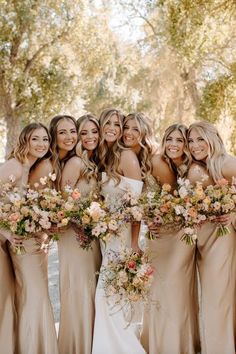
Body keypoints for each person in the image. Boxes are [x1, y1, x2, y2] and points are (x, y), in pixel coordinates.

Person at [141, 123, 200, 354]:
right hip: (158, 235)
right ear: (164, 142)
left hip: (182, 236)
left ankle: (180, 344)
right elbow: (149, 198)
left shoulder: (192, 166)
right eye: (170, 140)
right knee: (157, 287)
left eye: (179, 140)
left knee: (177, 289)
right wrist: (147, 215)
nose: (174, 145)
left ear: (186, 145)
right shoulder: (158, 161)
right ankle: (158, 342)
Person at [92, 108, 146, 354]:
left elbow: (136, 204)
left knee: (108, 296)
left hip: (123, 240)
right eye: (109, 123)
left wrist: (134, 243)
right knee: (108, 296)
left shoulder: (127, 157)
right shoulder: (102, 156)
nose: (114, 128)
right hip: (106, 238)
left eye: (118, 124)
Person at [3, 123, 58, 354]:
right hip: (11, 240)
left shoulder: (33, 167)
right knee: (32, 294)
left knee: (25, 295)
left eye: (45, 139)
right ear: (25, 140)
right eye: (35, 139)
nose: (41, 144)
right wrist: (5, 232)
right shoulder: (14, 166)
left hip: (22, 241)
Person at [187, 121, 236, 354]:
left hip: (222, 239)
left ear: (212, 137)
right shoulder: (200, 166)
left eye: (199, 139)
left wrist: (234, 213)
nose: (195, 145)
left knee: (217, 298)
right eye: (191, 140)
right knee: (212, 297)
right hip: (204, 241)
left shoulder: (226, 163)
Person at [59, 114, 101, 354]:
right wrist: (79, 225)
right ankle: (77, 346)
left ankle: (93, 344)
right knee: (79, 289)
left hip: (91, 234)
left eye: (93, 131)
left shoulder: (93, 162)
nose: (89, 137)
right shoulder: (75, 163)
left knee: (91, 288)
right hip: (75, 235)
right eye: (83, 133)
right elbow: (62, 204)